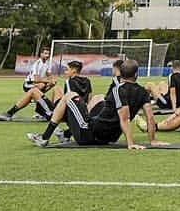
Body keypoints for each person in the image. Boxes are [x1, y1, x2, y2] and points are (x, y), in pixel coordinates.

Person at [30, 58, 162, 149]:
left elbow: (125, 119)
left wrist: (130, 143)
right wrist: (152, 140)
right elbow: (150, 118)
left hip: (88, 134)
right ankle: (65, 134)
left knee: (69, 96)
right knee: (99, 98)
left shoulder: (118, 90)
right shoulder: (143, 92)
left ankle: (45, 137)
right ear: (136, 74)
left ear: (120, 74)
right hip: (109, 137)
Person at [0, 46, 56, 121]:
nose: (47, 55)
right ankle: (35, 99)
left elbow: (49, 75)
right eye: (45, 53)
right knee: (42, 85)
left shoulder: (47, 64)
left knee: (51, 84)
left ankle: (35, 100)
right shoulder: (37, 64)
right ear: (41, 54)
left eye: (48, 54)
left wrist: (52, 80)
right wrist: (48, 81)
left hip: (38, 84)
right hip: (29, 83)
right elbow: (36, 79)